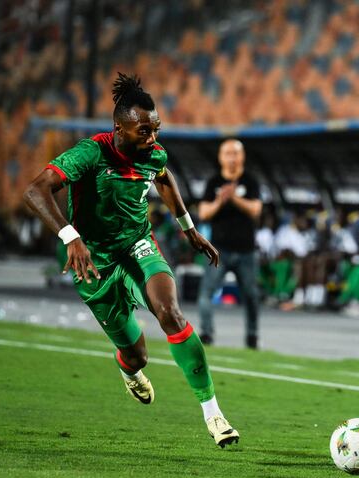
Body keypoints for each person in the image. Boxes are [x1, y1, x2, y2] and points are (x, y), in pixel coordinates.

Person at [23, 73, 239, 448]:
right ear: (119, 129)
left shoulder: (153, 153)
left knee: (170, 312)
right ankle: (129, 368)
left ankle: (213, 414)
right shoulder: (91, 153)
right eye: (143, 131)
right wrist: (70, 236)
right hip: (93, 261)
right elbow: (35, 190)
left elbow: (164, 177)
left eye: (155, 129)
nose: (152, 138)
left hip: (138, 245)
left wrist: (188, 228)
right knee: (136, 354)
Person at [197, 139, 262, 348]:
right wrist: (220, 200)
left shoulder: (251, 182)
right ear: (220, 157)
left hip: (246, 250)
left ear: (242, 157)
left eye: (236, 153)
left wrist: (234, 198)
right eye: (228, 153)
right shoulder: (213, 182)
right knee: (206, 293)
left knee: (251, 296)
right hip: (219, 250)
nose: (232, 158)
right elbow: (203, 213)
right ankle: (206, 334)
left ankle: (252, 337)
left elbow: (255, 210)